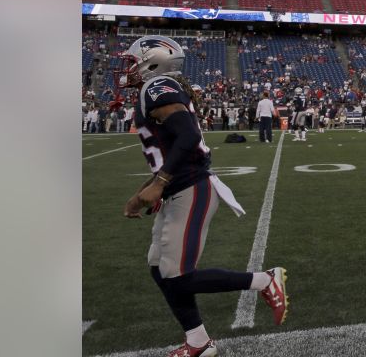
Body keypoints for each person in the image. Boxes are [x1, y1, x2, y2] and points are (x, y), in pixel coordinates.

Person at [116, 36, 288, 357]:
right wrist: (143, 191)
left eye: (132, 61)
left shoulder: (156, 87)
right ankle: (197, 340)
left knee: (177, 277)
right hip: (178, 187)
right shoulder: (156, 88)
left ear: (152, 61)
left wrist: (161, 181)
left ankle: (264, 281)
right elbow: (168, 149)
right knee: (158, 267)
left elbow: (189, 135)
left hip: (189, 187)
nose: (128, 68)